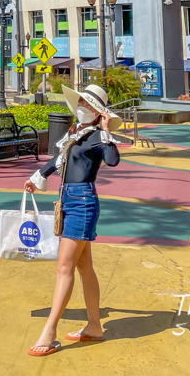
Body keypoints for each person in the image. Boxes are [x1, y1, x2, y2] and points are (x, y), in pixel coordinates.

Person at [24, 84, 122, 356]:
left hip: (83, 203)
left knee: (64, 266)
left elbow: (113, 160)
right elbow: (59, 160)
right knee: (84, 268)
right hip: (67, 199)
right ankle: (94, 327)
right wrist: (38, 176)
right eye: (80, 100)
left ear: (98, 111)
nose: (81, 105)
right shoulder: (76, 134)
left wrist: (106, 130)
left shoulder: (96, 137)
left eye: (87, 103)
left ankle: (49, 331)